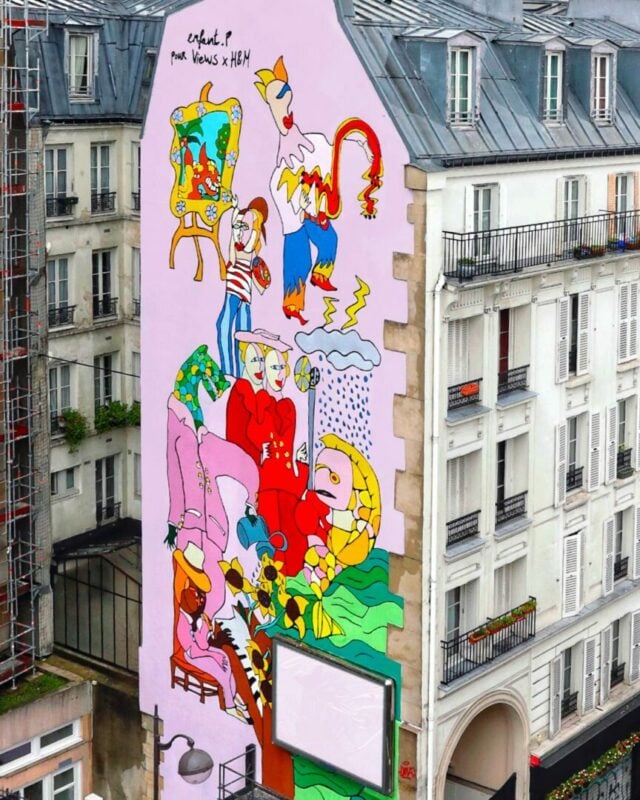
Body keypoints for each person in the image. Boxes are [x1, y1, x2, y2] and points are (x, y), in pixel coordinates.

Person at [216, 196, 270, 377]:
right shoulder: (236, 245)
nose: (239, 231)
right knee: (239, 334)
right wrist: (235, 210)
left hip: (236, 293)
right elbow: (232, 252)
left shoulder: (248, 246)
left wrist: (254, 220)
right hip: (241, 294)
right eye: (237, 227)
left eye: (243, 227)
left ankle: (232, 375)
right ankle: (235, 375)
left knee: (229, 330)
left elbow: (250, 239)